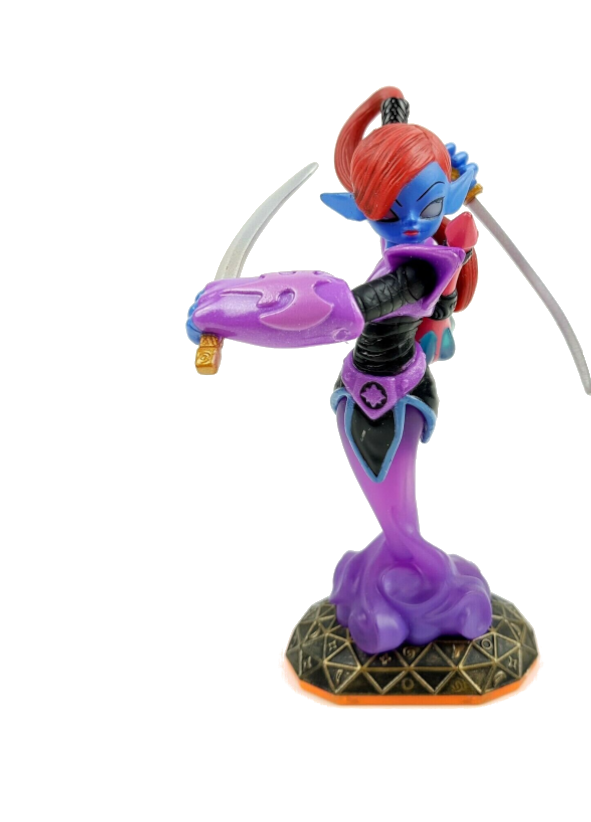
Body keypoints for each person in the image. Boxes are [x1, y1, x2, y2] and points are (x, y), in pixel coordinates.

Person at [186, 86, 493, 654]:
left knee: (399, 522)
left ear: (446, 196)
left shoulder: (415, 274)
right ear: (362, 210)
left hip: (382, 407)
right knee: (392, 513)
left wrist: (229, 310)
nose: (407, 224)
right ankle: (387, 573)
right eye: (387, 212)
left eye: (425, 204)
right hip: (378, 392)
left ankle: (442, 592)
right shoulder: (426, 248)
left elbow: (340, 311)